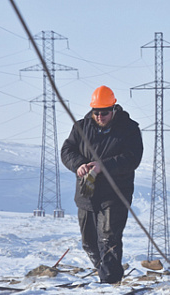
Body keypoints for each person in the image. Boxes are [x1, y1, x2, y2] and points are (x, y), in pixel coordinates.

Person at [61, 85, 143, 284]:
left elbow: (132, 158)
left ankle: (110, 283)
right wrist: (78, 165)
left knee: (108, 240)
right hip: (86, 195)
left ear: (113, 108)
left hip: (115, 194)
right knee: (89, 242)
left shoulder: (129, 129)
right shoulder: (81, 127)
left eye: (104, 112)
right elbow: (67, 150)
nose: (100, 116)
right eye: (96, 112)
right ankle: (105, 275)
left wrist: (102, 167)